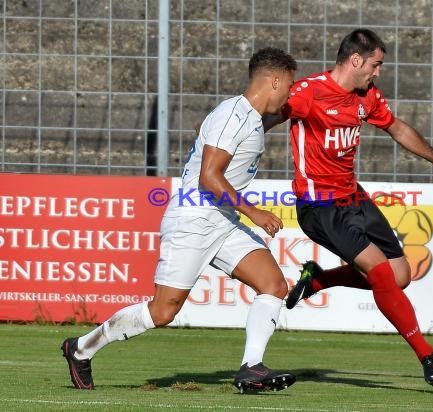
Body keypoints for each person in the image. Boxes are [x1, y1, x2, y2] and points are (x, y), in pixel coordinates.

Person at [61, 47, 298, 393]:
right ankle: (81, 348)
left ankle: (251, 368)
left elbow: (217, 127)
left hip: (221, 220)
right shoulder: (234, 115)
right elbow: (209, 177)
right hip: (193, 218)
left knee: (273, 285)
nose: (289, 94)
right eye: (289, 87)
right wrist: (255, 212)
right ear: (274, 80)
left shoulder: (246, 117)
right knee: (162, 312)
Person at [266, 29, 433, 386]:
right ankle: (428, 356)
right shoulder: (308, 93)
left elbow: (398, 129)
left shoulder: (367, 97)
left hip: (353, 197)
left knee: (400, 275)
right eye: (375, 64)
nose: (378, 72)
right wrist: (227, 138)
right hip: (319, 206)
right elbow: (266, 115)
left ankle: (318, 279)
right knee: (379, 272)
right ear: (355, 60)